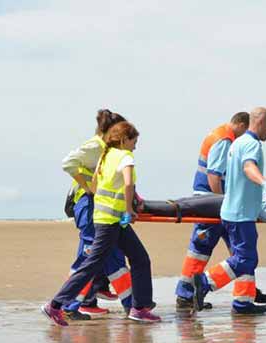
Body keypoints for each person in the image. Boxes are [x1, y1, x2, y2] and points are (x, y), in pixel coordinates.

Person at [42, 121, 160, 326]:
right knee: (92, 264)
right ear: (124, 139)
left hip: (108, 219)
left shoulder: (105, 157)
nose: (135, 146)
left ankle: (140, 308)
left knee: (140, 258)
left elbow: (95, 183)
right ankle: (55, 305)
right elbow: (129, 183)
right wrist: (130, 209)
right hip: (111, 222)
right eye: (134, 141)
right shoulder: (125, 157)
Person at [197, 107, 266, 315]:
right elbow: (248, 167)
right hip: (241, 213)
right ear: (260, 122)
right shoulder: (251, 144)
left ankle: (243, 302)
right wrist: (265, 184)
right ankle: (203, 282)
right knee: (245, 259)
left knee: (244, 255)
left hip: (234, 210)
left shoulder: (237, 143)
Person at [59, 109, 133, 319]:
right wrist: (88, 187)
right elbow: (68, 163)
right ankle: (69, 304)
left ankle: (131, 304)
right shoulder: (95, 146)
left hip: (99, 207)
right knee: (91, 257)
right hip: (89, 205)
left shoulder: (108, 149)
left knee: (111, 257)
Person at [175, 112, 249, 310]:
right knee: (200, 248)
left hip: (215, 202)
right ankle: (185, 294)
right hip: (210, 202)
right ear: (241, 125)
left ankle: (246, 297)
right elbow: (214, 175)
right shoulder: (224, 139)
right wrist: (221, 202)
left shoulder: (221, 135)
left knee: (239, 248)